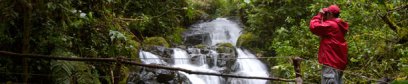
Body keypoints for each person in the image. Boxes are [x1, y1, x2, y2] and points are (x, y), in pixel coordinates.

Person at [309, 5, 349, 84]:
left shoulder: (331, 25)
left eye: (327, 13)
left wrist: (319, 15)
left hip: (330, 65)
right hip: (338, 65)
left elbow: (314, 27)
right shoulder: (339, 25)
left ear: (330, 14)